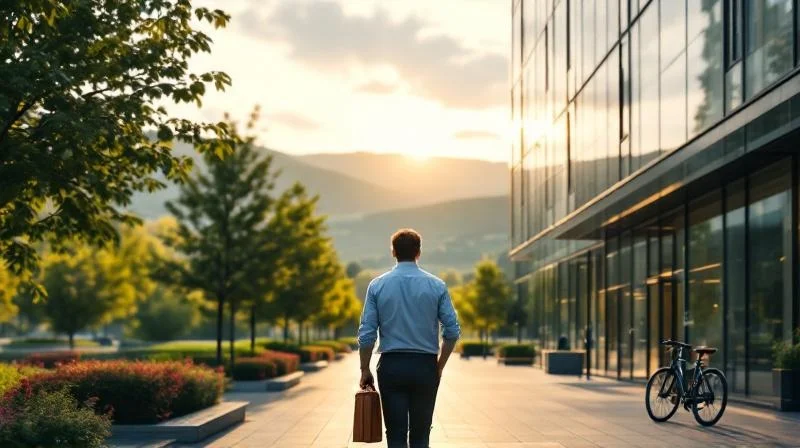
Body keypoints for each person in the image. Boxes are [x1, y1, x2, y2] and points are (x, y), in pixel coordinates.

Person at [357, 228, 461, 448]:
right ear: (418, 252)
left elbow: (367, 334)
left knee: (395, 435)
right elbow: (451, 331)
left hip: (392, 366)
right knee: (421, 435)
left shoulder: (377, 285)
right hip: (425, 366)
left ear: (393, 252)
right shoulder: (436, 285)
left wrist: (364, 368)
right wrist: (439, 366)